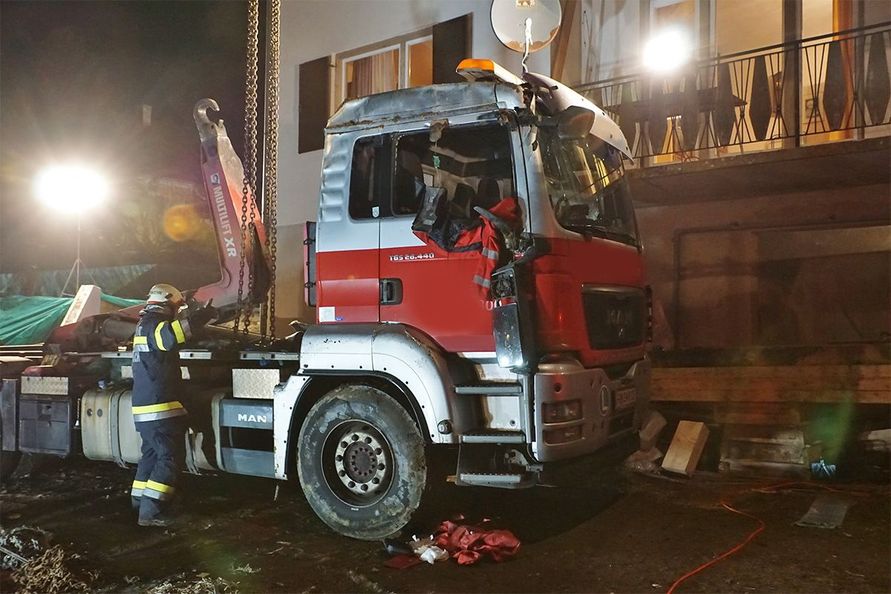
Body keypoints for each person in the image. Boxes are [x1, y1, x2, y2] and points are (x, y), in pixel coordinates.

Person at [129, 283, 215, 527]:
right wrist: (200, 317)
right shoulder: (154, 325)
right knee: (170, 457)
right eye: (176, 307)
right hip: (159, 405)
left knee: (151, 455)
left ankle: (139, 502)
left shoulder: (143, 325)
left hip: (147, 405)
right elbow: (171, 337)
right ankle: (152, 511)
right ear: (167, 304)